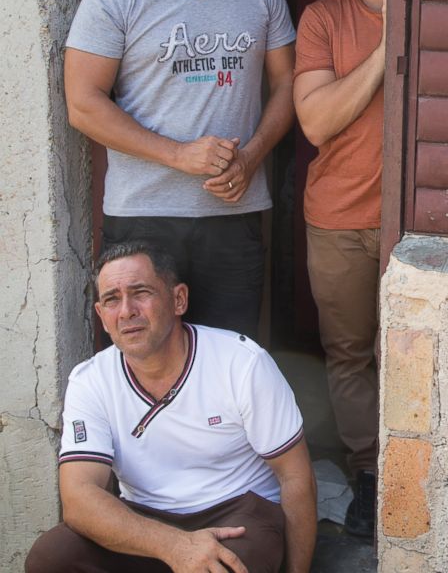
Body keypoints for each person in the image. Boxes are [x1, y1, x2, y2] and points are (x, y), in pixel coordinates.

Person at [64, 0, 296, 337]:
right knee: (143, 359)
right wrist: (178, 155)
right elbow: (82, 105)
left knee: (229, 359)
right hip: (143, 217)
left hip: (234, 214)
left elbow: (288, 85)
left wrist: (253, 155)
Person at [24, 242, 316, 573]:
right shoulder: (90, 380)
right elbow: (78, 498)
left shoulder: (242, 363)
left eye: (141, 292)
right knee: (51, 556)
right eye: (112, 300)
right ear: (102, 317)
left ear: (178, 299)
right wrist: (175, 546)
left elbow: (295, 476)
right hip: (145, 516)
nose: (127, 310)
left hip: (237, 515)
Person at [292, 0, 389, 539]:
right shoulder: (323, 19)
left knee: (414, 352)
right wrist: (389, 49)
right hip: (338, 218)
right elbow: (317, 121)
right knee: (351, 355)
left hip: (418, 223)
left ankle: (421, 468)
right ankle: (370, 476)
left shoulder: (437, 2)